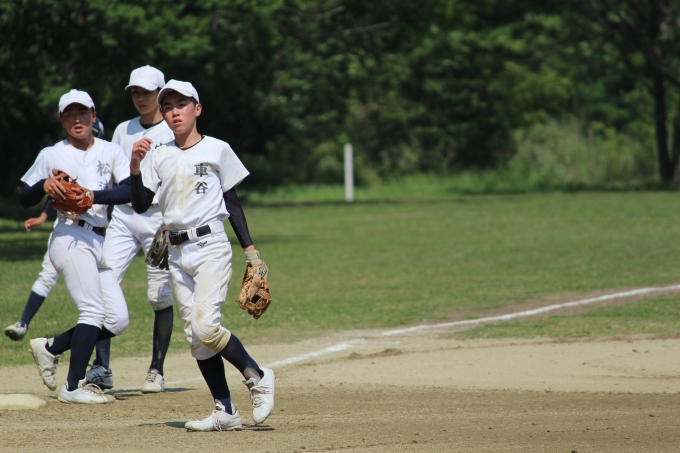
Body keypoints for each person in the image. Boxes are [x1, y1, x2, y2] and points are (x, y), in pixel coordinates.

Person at [130, 80, 275, 430]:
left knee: (206, 327)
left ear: (197, 109)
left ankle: (257, 375)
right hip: (176, 253)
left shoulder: (217, 149)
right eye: (167, 107)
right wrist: (134, 167)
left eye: (181, 104)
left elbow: (232, 203)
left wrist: (251, 253)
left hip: (211, 246)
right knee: (196, 337)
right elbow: (140, 203)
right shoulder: (158, 154)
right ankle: (225, 411)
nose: (174, 112)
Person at [21, 89, 131, 404]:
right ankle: (72, 387)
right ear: (62, 120)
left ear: (94, 116)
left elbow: (129, 190)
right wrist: (43, 185)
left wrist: (94, 196)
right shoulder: (51, 154)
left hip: (99, 239)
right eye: (69, 114)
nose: (77, 119)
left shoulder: (111, 150)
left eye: (82, 112)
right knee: (93, 310)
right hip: (69, 236)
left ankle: (50, 348)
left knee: (117, 319)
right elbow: (25, 198)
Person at [86, 65, 176, 393]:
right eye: (135, 92)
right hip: (124, 217)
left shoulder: (172, 129)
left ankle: (156, 371)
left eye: (147, 92)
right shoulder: (124, 129)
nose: (140, 98)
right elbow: (114, 177)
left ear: (160, 94)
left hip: (158, 219)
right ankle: (102, 369)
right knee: (103, 285)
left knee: (159, 295)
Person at [4, 120, 107, 342]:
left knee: (102, 301)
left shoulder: (105, 161)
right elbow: (59, 193)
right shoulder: (65, 156)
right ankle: (23, 323)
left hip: (98, 235)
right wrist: (43, 215)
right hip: (67, 230)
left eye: (94, 132)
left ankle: (100, 354)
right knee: (48, 275)